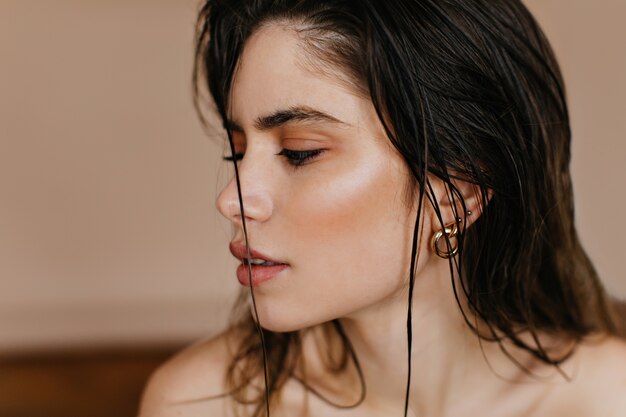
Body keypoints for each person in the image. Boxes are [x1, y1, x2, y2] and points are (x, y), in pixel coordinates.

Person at [139, 1, 626, 416]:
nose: (232, 199)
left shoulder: (605, 398)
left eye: (299, 152)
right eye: (238, 150)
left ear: (460, 188)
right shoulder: (199, 403)